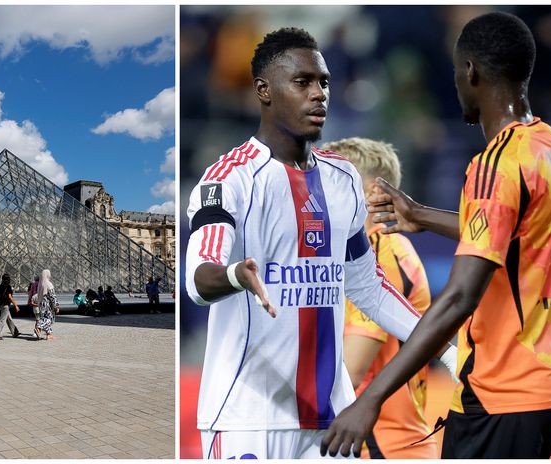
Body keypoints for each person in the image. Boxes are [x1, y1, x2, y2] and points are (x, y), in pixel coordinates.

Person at [184, 28, 457, 459]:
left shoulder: (343, 178)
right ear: (263, 90)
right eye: (303, 82)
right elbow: (198, 280)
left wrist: (449, 352)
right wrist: (236, 274)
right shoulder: (229, 177)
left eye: (324, 83)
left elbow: (368, 287)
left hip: (330, 423)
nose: (319, 95)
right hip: (247, 419)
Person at [321, 12, 551, 459]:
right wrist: (422, 215)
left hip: (501, 389)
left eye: (456, 72)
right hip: (546, 382)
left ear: (471, 72)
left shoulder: (494, 164)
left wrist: (369, 399)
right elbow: (516, 234)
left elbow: (459, 297)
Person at [323, 137, 438, 458]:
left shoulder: (379, 251)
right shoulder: (370, 251)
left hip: (383, 448)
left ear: (373, 192)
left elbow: (352, 369)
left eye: (335, 180)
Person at [0, 273, 21, 340]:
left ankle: (15, 332)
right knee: (2, 320)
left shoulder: (0, 286)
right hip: (6, 306)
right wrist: (16, 305)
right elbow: (10, 297)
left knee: (9, 319)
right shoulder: (8, 287)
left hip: (1, 305)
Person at [34, 269, 60, 340]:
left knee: (45, 318)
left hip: (41, 304)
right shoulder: (49, 284)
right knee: (48, 319)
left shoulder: (40, 284)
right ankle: (39, 328)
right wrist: (56, 306)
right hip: (47, 304)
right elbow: (52, 296)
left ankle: (49, 335)